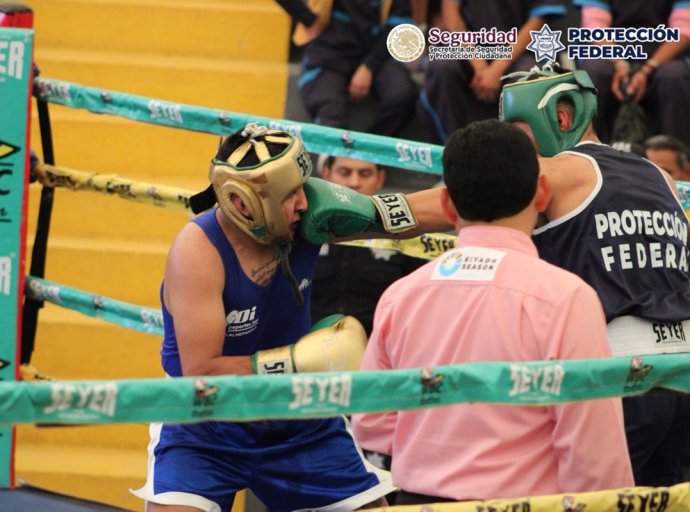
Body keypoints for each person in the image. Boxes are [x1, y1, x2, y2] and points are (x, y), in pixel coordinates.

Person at [130, 123, 451, 512]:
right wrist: (296, 361)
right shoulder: (198, 253)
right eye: (290, 194)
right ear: (244, 203)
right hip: (203, 426)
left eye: (303, 186)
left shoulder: (307, 218)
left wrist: (497, 193)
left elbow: (408, 214)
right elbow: (203, 371)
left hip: (299, 417)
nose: (304, 202)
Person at [351, 119, 634, 505]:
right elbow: (595, 454)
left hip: (418, 500)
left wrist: (437, 445)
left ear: (447, 204)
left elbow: (371, 424)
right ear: (542, 192)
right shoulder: (566, 298)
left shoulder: (401, 296)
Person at [500, 64, 690, 487]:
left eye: (516, 129)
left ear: (560, 117)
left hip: (621, 377)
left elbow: (470, 193)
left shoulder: (562, 171)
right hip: (682, 375)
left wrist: (373, 211)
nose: (513, 146)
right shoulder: (661, 178)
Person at [418, 0, 567, 143]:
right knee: (440, 67)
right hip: (468, 49)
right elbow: (450, 13)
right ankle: (450, 151)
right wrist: (479, 64)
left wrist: (497, 68)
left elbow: (538, 20)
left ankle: (523, 159)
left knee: (529, 77)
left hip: (518, 52)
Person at [312, 156, 425, 335]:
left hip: (378, 353)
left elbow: (419, 306)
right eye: (344, 172)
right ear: (326, 174)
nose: (354, 182)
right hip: (305, 351)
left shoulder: (405, 234)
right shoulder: (298, 227)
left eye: (365, 174)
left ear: (380, 178)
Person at [289, 0, 418, 136]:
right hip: (328, 51)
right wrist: (308, 19)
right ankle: (336, 154)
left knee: (402, 94)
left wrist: (368, 66)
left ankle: (370, 152)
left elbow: (398, 28)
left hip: (376, 50)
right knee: (329, 108)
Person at [573, 0, 690, 146]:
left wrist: (647, 69)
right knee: (595, 71)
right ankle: (581, 148)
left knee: (674, 75)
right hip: (612, 54)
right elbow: (594, 27)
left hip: (662, 57)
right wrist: (619, 63)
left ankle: (675, 156)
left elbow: (683, 31)